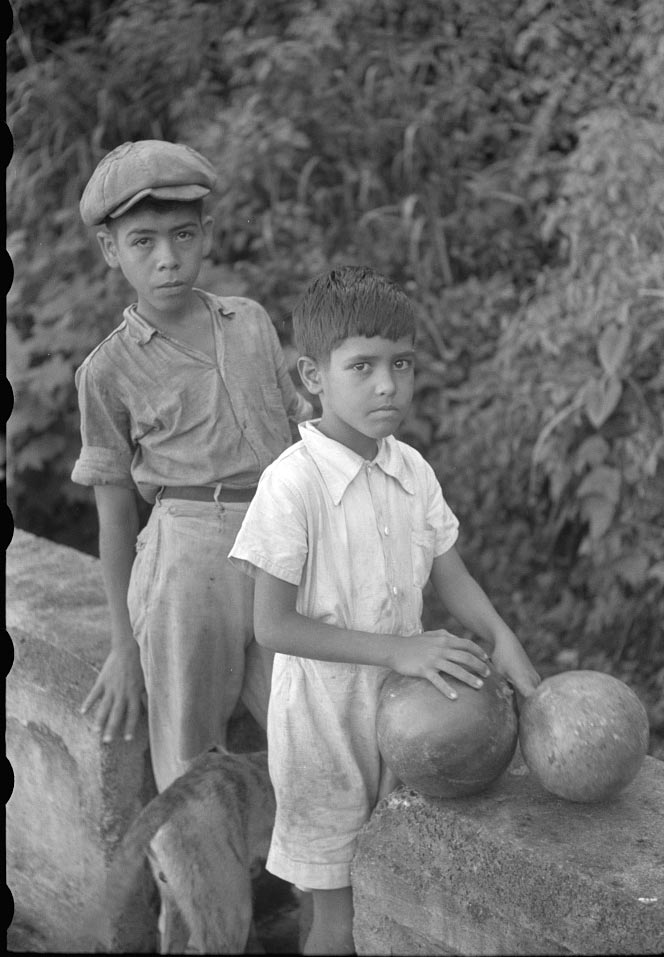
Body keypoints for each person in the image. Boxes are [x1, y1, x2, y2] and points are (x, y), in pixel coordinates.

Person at [229, 265, 541, 955]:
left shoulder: (412, 468)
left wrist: (501, 635)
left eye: (401, 363)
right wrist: (400, 649)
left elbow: (449, 572)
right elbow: (271, 626)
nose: (387, 384)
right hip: (324, 728)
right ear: (312, 376)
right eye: (362, 365)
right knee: (339, 920)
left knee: (386, 892)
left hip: (408, 718)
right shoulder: (293, 483)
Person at [71, 139, 312, 793]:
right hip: (185, 554)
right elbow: (115, 518)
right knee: (190, 757)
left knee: (313, 729)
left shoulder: (251, 322)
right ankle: (196, 898)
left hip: (278, 543)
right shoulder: (107, 370)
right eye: (143, 241)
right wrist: (124, 646)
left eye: (182, 234)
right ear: (111, 250)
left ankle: (307, 885)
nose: (168, 258)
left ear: (206, 233)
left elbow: (299, 435)